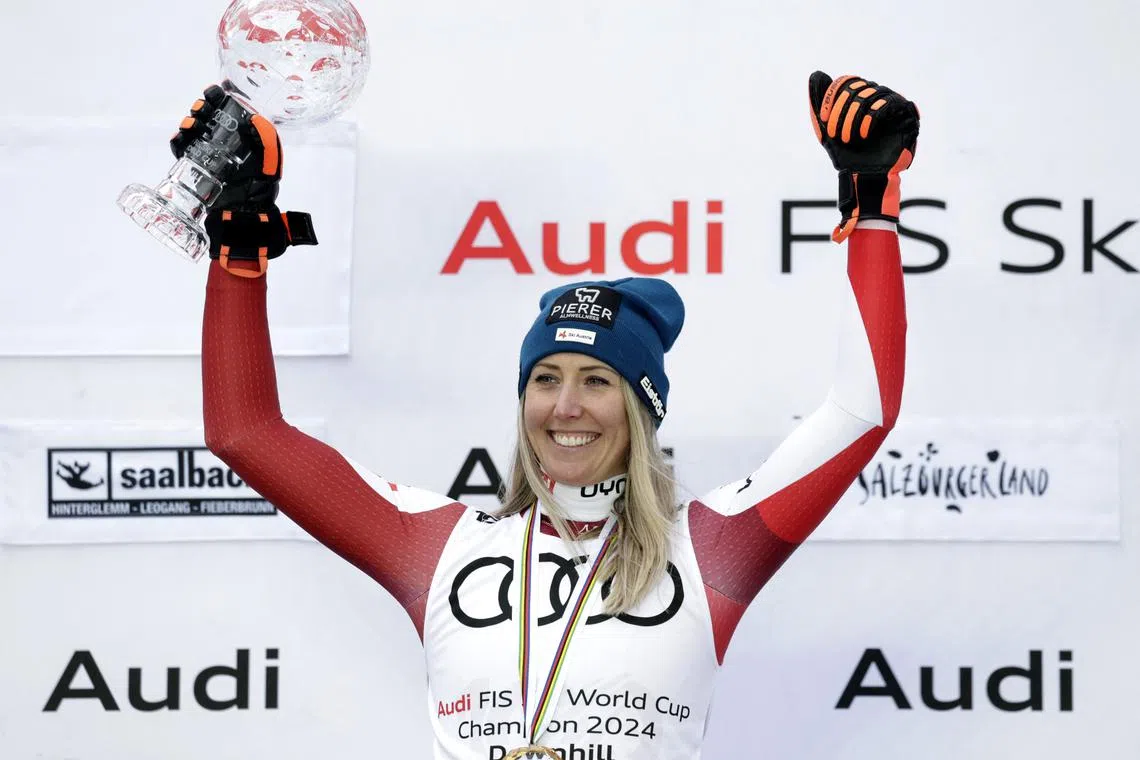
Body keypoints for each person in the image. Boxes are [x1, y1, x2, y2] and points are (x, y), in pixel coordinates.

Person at [182, 71, 919, 759]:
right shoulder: (438, 550)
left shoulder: (711, 552)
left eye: (598, 380)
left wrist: (873, 206)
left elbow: (862, 411)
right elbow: (244, 431)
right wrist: (239, 243)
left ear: (640, 409)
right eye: (545, 378)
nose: (565, 406)